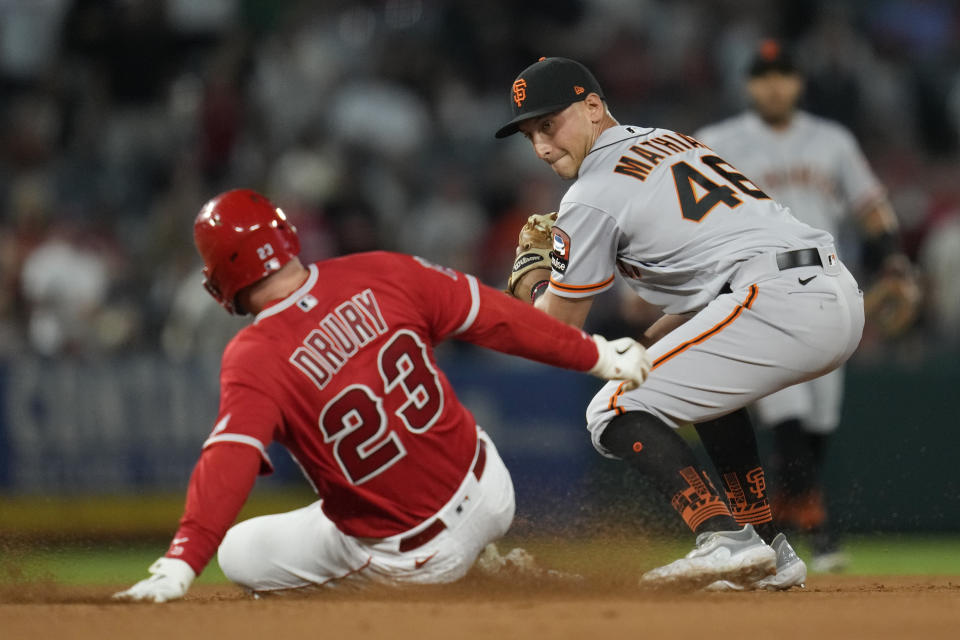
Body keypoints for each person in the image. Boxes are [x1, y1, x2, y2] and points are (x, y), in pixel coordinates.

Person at [113, 189, 651, 603]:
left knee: (239, 555)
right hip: (492, 487)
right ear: (287, 235)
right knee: (334, 510)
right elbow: (500, 319)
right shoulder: (381, 269)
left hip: (418, 555)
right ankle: (483, 564)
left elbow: (229, 459)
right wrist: (598, 354)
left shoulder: (255, 354)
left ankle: (459, 587)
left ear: (218, 280)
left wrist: (182, 562)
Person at [495, 56, 864, 590]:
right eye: (531, 135)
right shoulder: (669, 141)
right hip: (828, 289)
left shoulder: (592, 193)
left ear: (594, 107)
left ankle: (722, 538)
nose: (543, 147)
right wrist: (648, 347)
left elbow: (557, 331)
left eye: (549, 125)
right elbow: (706, 289)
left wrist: (532, 280)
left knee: (613, 408)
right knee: (693, 387)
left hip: (779, 298)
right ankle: (763, 548)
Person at [695, 40, 919, 572]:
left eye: (784, 74)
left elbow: (871, 206)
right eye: (764, 75)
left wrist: (893, 261)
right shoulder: (718, 141)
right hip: (757, 290)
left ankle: (776, 526)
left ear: (798, 83)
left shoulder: (832, 141)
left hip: (825, 287)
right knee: (789, 419)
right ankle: (821, 536)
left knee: (817, 428)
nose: (775, 84)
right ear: (750, 85)